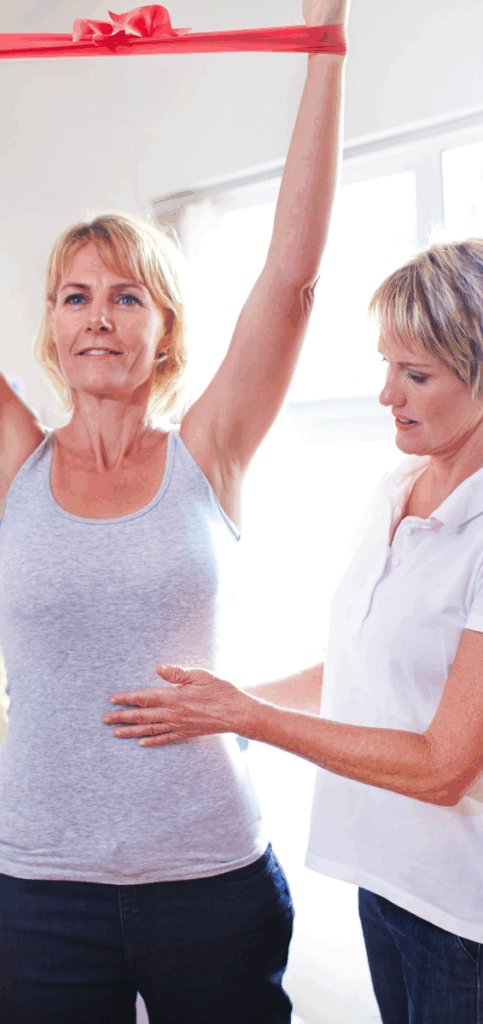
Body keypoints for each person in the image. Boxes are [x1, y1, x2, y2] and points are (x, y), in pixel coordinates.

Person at [0, 0, 348, 1019]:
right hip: (37, 891)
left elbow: (290, 281)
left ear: (162, 329)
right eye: (73, 295)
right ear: (49, 324)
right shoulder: (8, 458)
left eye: (126, 295)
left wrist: (323, 44)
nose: (97, 317)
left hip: (209, 877)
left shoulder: (209, 451)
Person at [105, 238, 483, 1023]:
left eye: (415, 376)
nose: (386, 395)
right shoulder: (399, 484)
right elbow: (353, 667)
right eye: (386, 366)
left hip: (464, 912)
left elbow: (443, 766)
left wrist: (250, 720)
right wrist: (214, 706)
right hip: (386, 882)